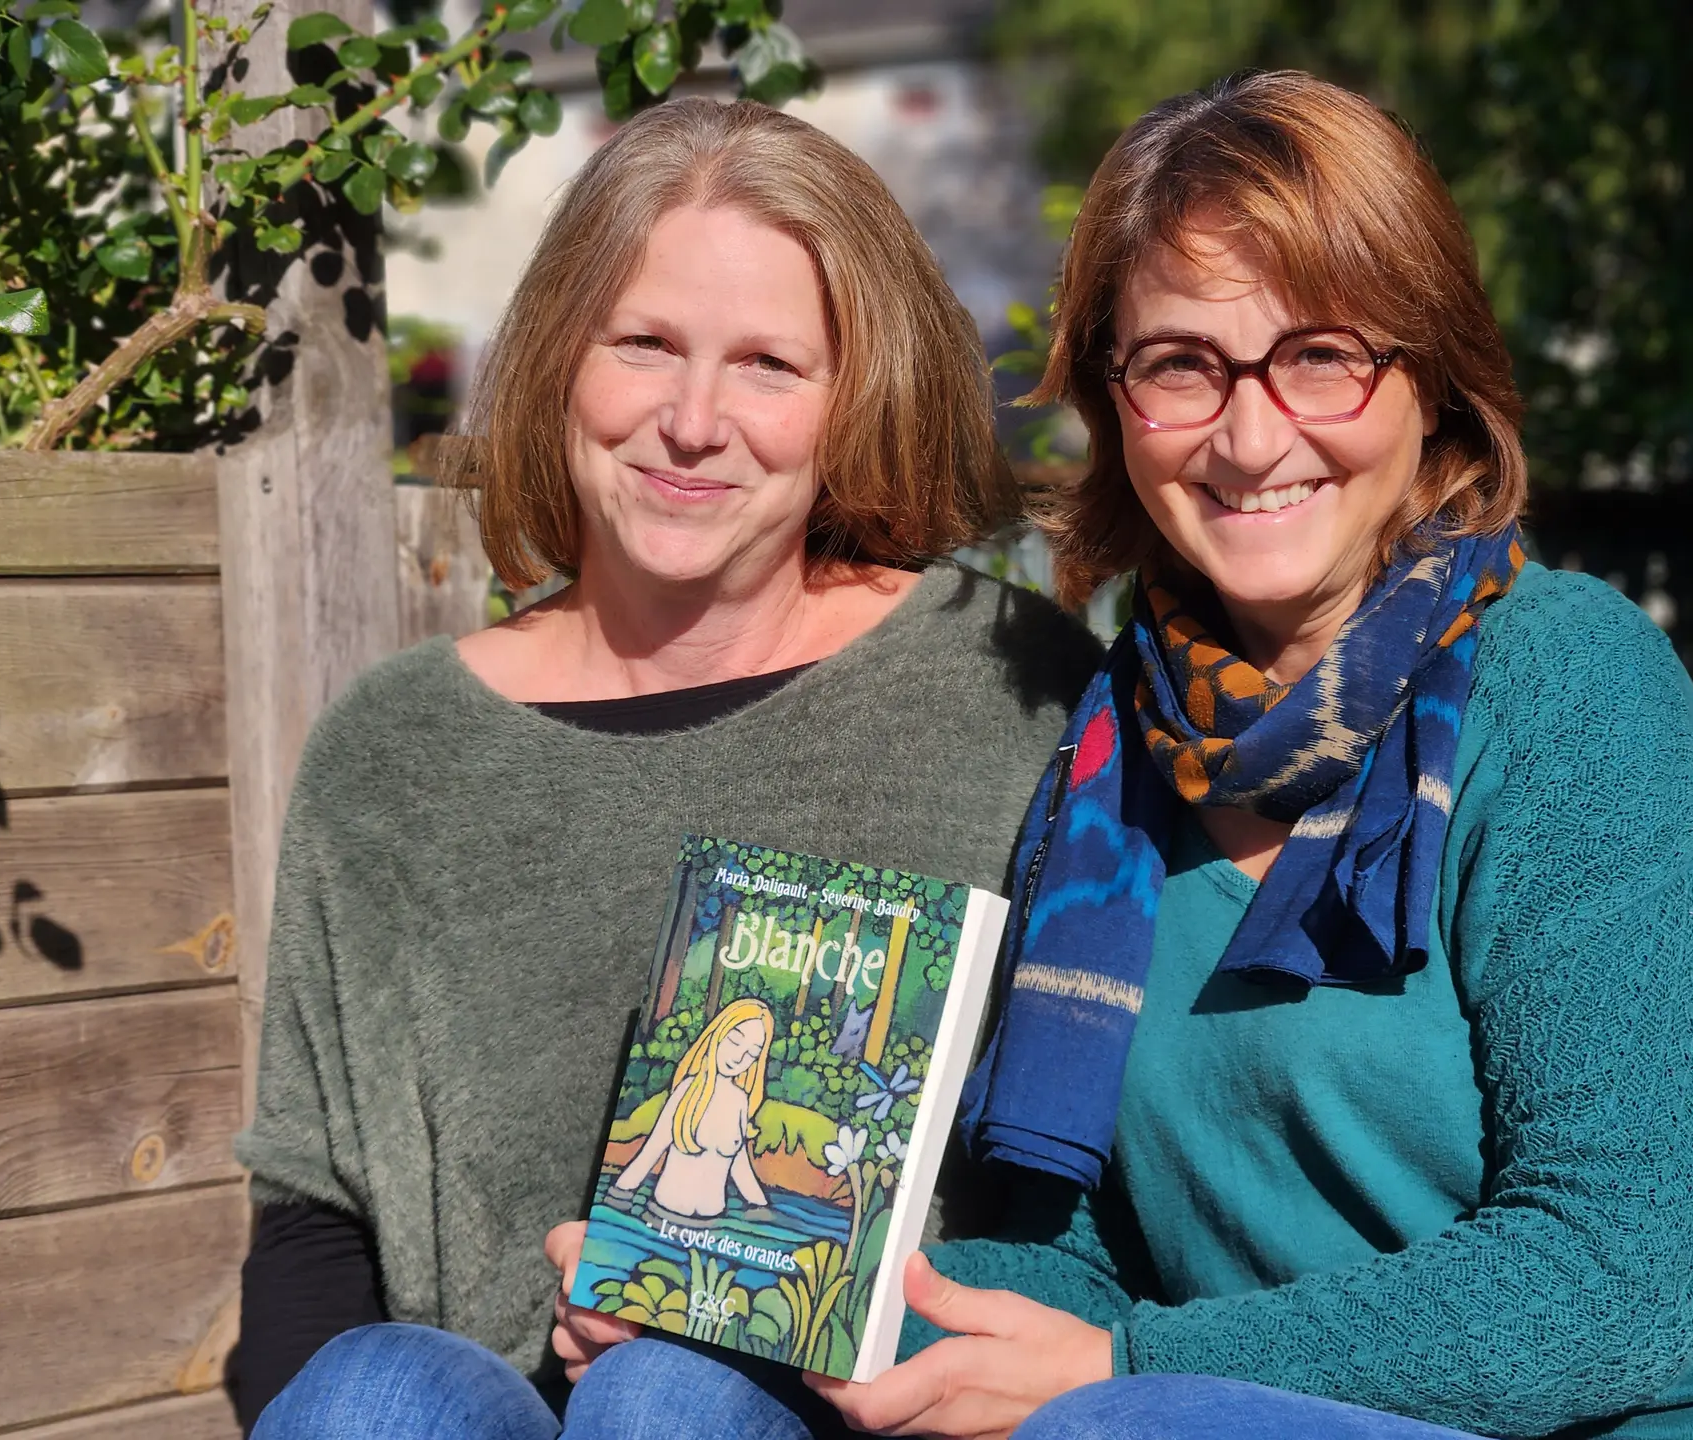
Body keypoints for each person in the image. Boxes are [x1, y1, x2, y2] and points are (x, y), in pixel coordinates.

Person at [788, 70, 1693, 1440]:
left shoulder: (1569, 692)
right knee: (678, 1389)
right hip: (1201, 1409)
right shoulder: (1114, 753)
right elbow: (1079, 1270)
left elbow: (1610, 1282)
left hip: (1598, 1422)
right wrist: (750, 1282)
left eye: (1322, 355)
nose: (1248, 436)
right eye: (1182, 364)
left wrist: (1127, 1371)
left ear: (1432, 380)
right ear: (1114, 400)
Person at [232, 96, 1104, 1433]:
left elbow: (1082, 1196)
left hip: (863, 1410)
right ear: (559, 360)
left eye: (769, 364)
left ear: (855, 399)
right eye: (644, 344)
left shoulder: (1010, 692)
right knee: (368, 1390)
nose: (694, 421)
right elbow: (311, 1221)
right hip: (479, 1411)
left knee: (668, 1396)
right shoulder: (393, 754)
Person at [610, 997, 775, 1218]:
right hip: (661, 1217)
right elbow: (651, 1150)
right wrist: (618, 1196)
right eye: (734, 1041)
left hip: (711, 1224)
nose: (738, 1058)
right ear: (717, 1034)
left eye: (752, 1053)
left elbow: (739, 1163)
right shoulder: (687, 1090)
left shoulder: (740, 1102)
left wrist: (762, 1208)